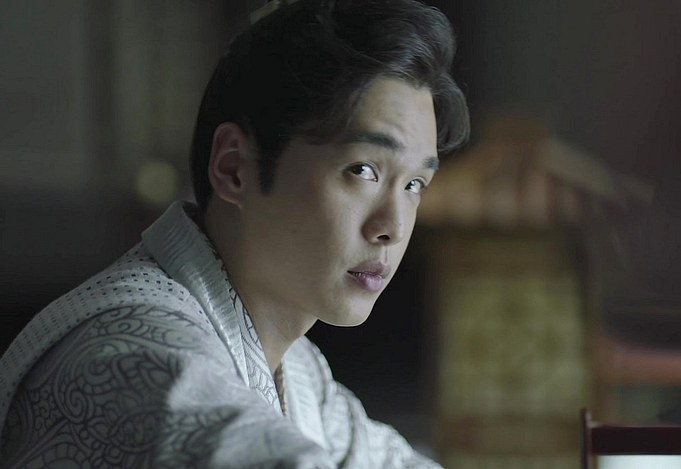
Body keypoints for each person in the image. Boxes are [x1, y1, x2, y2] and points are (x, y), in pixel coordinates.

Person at [0, 0, 469, 466]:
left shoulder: (299, 373)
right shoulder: (134, 357)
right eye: (362, 170)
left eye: (414, 185)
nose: (394, 227)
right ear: (234, 168)